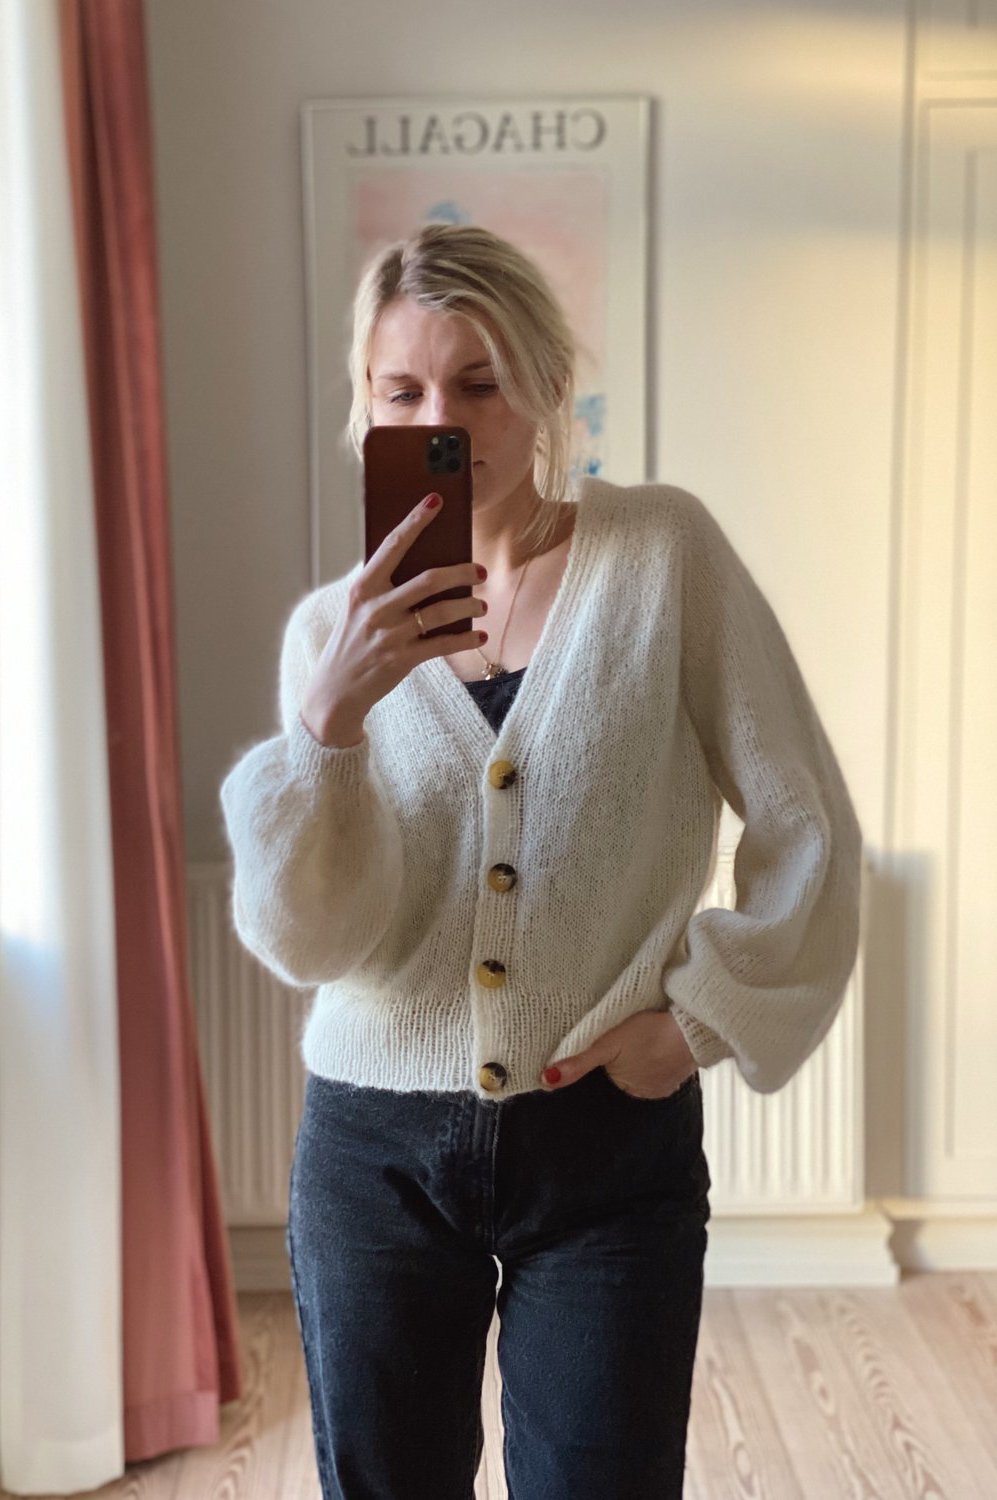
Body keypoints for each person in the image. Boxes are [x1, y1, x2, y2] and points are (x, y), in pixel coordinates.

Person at [218, 222, 863, 1499]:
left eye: (478, 383)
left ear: (546, 388)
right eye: (401, 392)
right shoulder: (327, 636)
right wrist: (327, 726)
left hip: (605, 1144)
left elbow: (807, 821)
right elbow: (309, 941)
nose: (441, 422)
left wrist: (697, 1020)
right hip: (374, 1152)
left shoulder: (662, 557)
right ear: (364, 408)